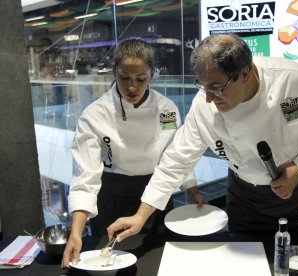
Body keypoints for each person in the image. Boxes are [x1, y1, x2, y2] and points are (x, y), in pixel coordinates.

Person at [106, 33, 298, 241]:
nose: (210, 98)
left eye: (217, 87)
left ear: (244, 74)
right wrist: (141, 215)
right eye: (203, 86)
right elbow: (176, 160)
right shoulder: (204, 105)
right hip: (245, 200)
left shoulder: (294, 80)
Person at [61, 37, 204, 268]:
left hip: (156, 193)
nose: (132, 87)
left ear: (153, 73)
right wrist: (75, 232)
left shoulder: (166, 109)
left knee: (157, 261)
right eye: (124, 78)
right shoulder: (94, 114)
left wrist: (193, 190)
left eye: (141, 79)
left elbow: (174, 156)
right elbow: (84, 176)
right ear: (114, 71)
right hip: (112, 196)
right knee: (106, 261)